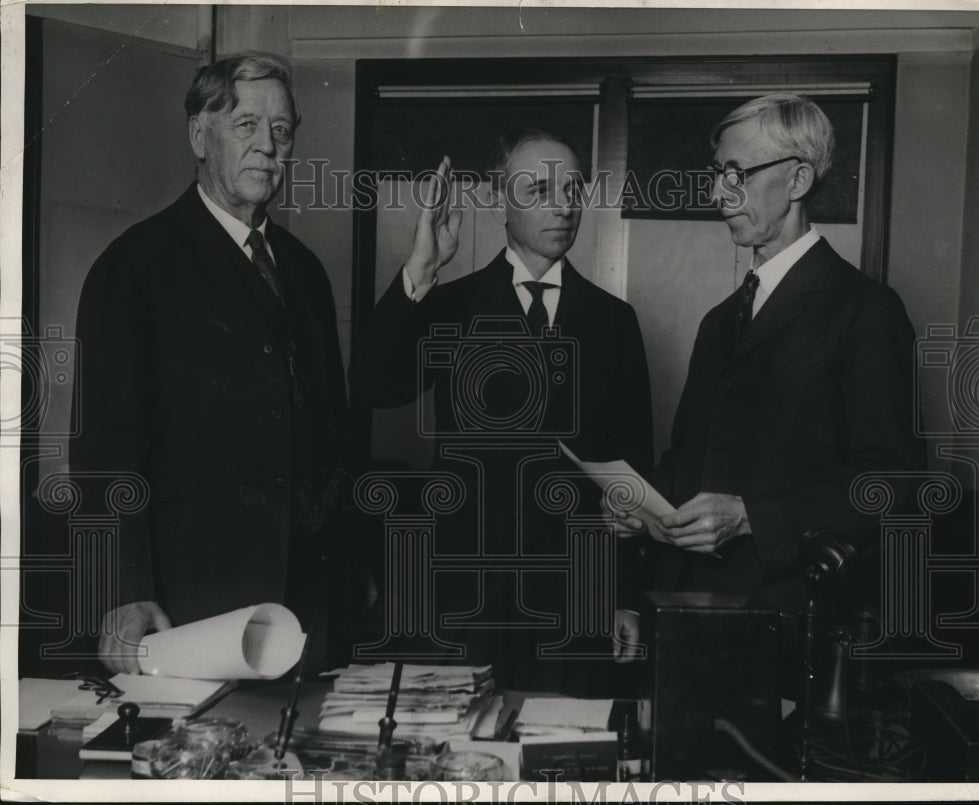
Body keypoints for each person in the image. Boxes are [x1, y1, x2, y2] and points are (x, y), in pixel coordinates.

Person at [613, 94, 925, 662]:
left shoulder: (864, 309)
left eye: (738, 174)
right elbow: (692, 457)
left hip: (789, 625)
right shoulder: (719, 321)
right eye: (717, 174)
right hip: (684, 613)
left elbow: (894, 485)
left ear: (798, 179)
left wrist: (750, 518)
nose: (718, 194)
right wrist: (642, 503)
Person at [71, 52, 355, 674]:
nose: (267, 146)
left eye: (281, 130)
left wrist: (351, 575)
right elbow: (104, 455)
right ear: (199, 136)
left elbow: (333, 438)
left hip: (309, 606)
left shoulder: (305, 271)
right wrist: (124, 591)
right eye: (246, 125)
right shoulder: (134, 267)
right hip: (191, 603)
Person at [351, 130, 653, 693]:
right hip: (464, 598)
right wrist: (420, 268)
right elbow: (372, 385)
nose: (563, 206)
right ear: (497, 203)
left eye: (573, 189)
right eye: (539, 190)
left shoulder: (614, 321)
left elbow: (634, 473)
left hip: (576, 598)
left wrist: (627, 598)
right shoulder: (449, 305)